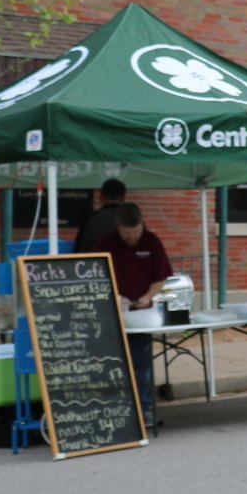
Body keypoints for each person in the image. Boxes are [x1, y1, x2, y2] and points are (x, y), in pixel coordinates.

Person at [95, 202, 174, 431]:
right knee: (111, 364)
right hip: (111, 314)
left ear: (142, 225)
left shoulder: (152, 242)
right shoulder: (106, 243)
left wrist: (149, 296)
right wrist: (114, 294)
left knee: (142, 365)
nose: (131, 237)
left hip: (141, 315)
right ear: (118, 228)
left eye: (135, 232)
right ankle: (115, 411)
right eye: (126, 233)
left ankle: (146, 410)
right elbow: (94, 274)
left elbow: (161, 277)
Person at [74, 178, 128, 252]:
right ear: (124, 198)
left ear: (101, 197)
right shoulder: (132, 219)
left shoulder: (90, 219)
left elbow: (78, 251)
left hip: (96, 262)